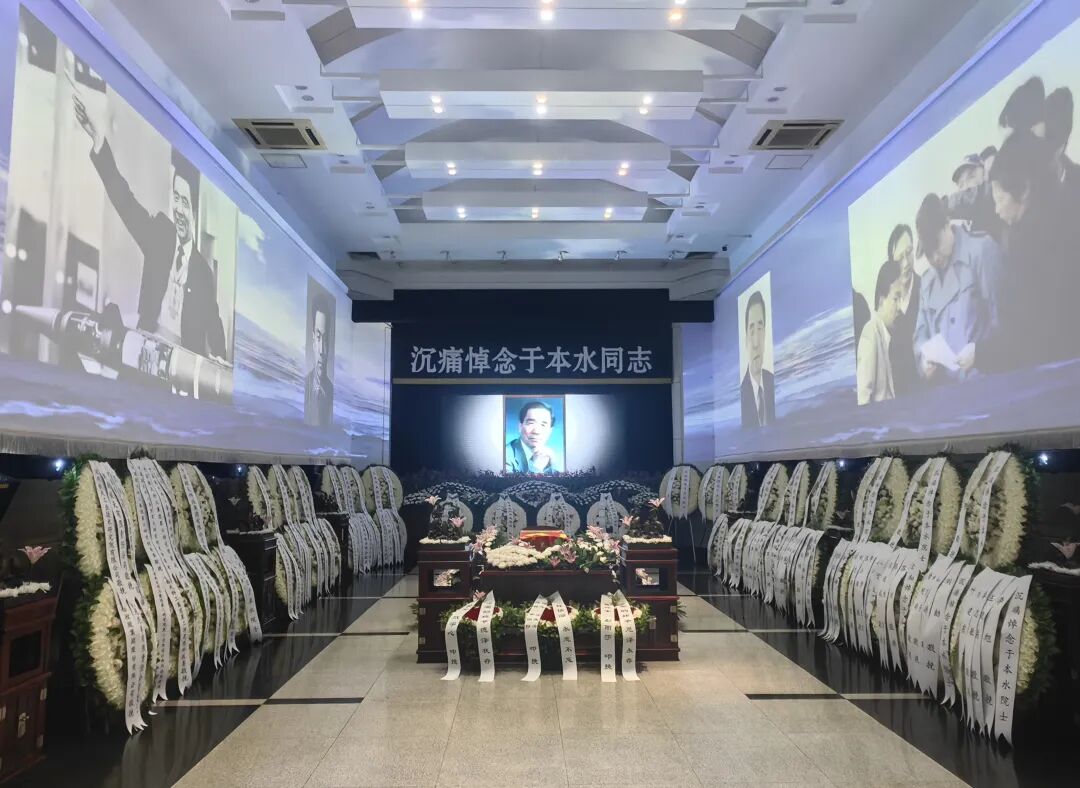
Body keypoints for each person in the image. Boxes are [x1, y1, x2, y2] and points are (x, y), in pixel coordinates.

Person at [73, 94, 227, 359]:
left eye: (185, 203)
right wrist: (98, 140)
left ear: (194, 211)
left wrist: (220, 359)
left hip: (178, 370)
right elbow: (125, 201)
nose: (179, 210)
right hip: (142, 356)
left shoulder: (202, 273)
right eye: (176, 199)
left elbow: (214, 324)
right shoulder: (160, 235)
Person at [979, 129, 1079, 371]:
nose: (996, 210)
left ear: (1023, 189)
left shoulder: (1032, 250)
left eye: (999, 198)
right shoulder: (1068, 213)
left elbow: (1026, 340)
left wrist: (980, 354)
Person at [913, 194, 1002, 382]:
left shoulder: (981, 251)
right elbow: (920, 335)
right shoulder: (927, 282)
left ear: (947, 225)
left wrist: (980, 353)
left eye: (937, 247)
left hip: (986, 381)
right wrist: (924, 362)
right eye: (928, 253)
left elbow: (1005, 320)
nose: (935, 258)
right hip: (947, 391)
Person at [857, 259, 903, 405]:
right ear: (882, 300)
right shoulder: (871, 333)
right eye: (896, 298)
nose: (900, 307)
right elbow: (863, 397)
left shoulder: (886, 334)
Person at [885, 224, 921, 395]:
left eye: (909, 252)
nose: (906, 263)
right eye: (900, 258)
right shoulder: (887, 304)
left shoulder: (928, 290)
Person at [740, 291, 775, 427]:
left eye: (760, 329)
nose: (756, 343)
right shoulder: (741, 394)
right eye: (751, 330)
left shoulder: (772, 382)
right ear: (745, 341)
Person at [505, 401, 560, 474]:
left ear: (550, 431)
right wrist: (536, 468)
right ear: (520, 427)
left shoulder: (549, 456)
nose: (536, 431)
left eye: (543, 425)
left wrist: (554, 467)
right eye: (531, 423)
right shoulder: (505, 456)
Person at [304, 295, 334, 427]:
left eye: (325, 339)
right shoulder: (304, 385)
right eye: (318, 337)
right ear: (313, 340)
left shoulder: (331, 390)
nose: (322, 350)